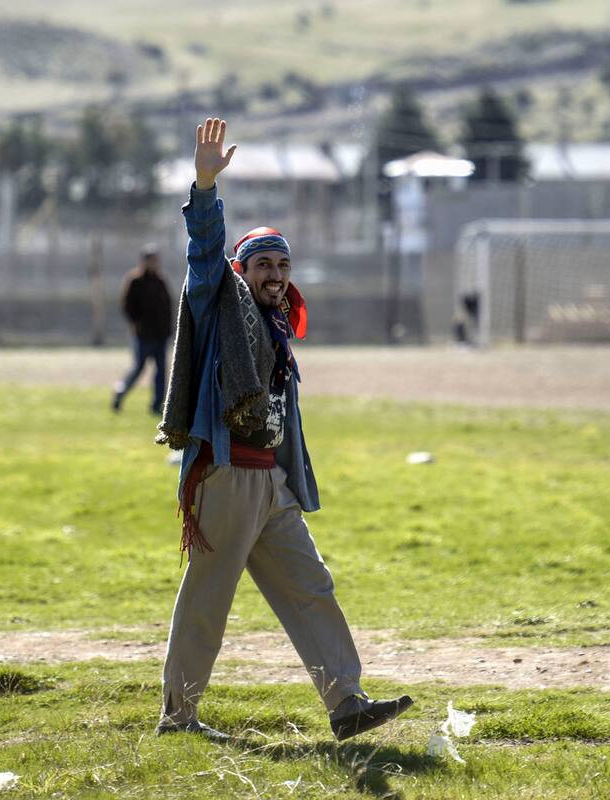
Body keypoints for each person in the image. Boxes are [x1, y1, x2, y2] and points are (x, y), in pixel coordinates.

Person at [154, 118, 412, 741]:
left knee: (310, 588)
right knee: (208, 603)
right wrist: (206, 187)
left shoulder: (273, 329)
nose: (273, 273)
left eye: (282, 264)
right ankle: (179, 719)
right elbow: (205, 253)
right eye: (262, 263)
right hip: (227, 478)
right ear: (241, 271)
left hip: (270, 483)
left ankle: (347, 702)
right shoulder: (221, 299)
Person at [112, 243, 172, 414]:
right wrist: (136, 323)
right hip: (143, 335)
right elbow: (127, 305)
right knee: (138, 369)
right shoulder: (135, 281)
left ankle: (157, 406)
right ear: (144, 261)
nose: (155, 263)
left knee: (161, 373)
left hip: (160, 335)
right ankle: (120, 392)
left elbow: (167, 306)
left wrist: (168, 329)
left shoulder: (161, 281)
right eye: (152, 260)